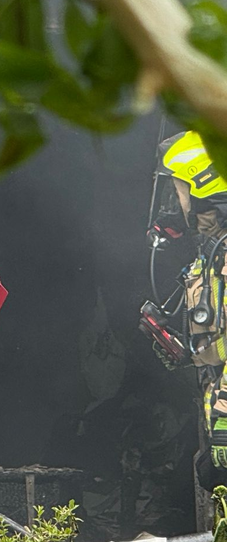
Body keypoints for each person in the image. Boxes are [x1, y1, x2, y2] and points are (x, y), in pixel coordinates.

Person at [148, 130, 227, 474]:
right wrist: (179, 349)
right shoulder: (209, 255)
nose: (172, 203)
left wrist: (225, 414)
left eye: (176, 189)